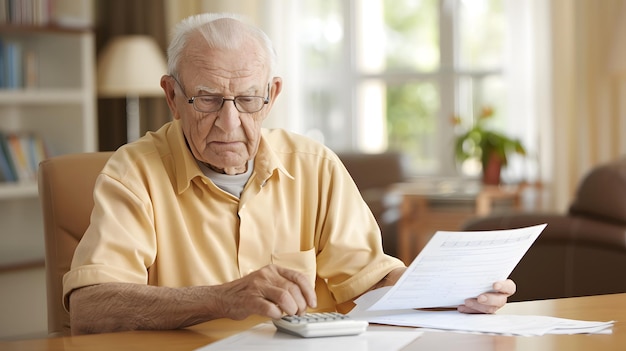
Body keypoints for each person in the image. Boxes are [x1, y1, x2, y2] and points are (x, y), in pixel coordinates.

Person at [63, 13, 516, 335]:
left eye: (247, 99)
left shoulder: (315, 166)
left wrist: (453, 293)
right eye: (207, 99)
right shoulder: (133, 171)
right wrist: (221, 299)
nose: (229, 121)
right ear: (172, 95)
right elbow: (90, 305)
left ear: (272, 94)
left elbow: (369, 282)